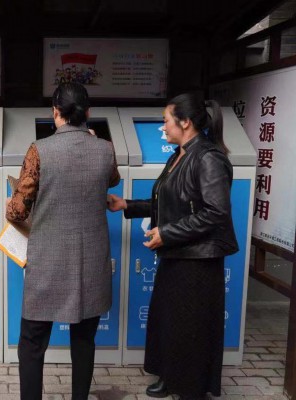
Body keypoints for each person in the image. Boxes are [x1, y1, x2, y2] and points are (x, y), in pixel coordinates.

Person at [107, 93, 238, 400]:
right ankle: (170, 376)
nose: (162, 126)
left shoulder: (208, 158)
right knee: (170, 322)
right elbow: (168, 202)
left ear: (186, 122)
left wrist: (167, 233)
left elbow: (216, 213)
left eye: (166, 120)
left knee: (191, 327)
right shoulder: (180, 154)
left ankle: (191, 389)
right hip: (178, 254)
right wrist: (127, 205)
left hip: (198, 261)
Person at [6, 82, 120, 400]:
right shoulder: (106, 149)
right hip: (90, 263)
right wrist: (95, 141)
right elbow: (112, 179)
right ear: (88, 113)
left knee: (32, 343)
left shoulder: (39, 150)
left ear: (55, 112)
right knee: (84, 341)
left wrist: (9, 205)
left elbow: (18, 211)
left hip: (48, 263)